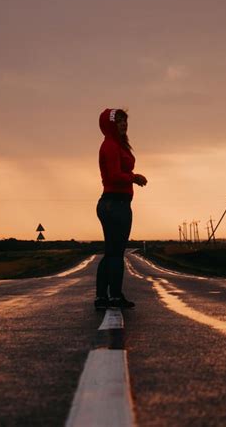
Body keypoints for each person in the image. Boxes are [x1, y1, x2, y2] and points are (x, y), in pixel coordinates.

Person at [95, 108, 147, 310]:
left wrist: (132, 177)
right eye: (118, 121)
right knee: (116, 254)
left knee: (111, 253)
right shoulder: (110, 146)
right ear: (110, 125)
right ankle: (114, 297)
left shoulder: (117, 144)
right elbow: (114, 176)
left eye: (125, 121)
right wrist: (134, 178)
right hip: (115, 204)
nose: (123, 124)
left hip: (115, 204)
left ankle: (102, 298)